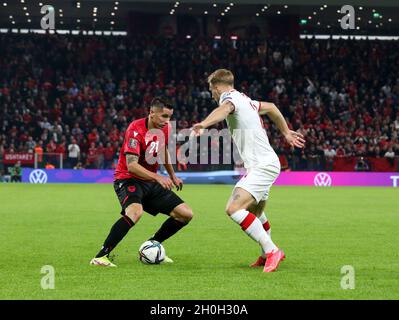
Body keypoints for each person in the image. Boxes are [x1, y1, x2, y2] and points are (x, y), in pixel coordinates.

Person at [192, 69, 305, 272]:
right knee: (256, 212)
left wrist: (204, 124)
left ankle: (272, 251)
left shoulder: (229, 98)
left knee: (233, 209)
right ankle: (264, 255)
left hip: (262, 165)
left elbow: (224, 109)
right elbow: (271, 107)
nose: (211, 93)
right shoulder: (248, 101)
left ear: (218, 86)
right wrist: (285, 132)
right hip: (266, 163)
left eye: (211, 89)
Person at [90, 97, 194, 267]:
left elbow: (163, 151)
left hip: (149, 181)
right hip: (128, 179)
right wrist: (159, 177)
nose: (167, 121)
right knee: (135, 212)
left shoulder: (165, 129)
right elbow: (132, 166)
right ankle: (101, 256)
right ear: (151, 113)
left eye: (169, 117)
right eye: (163, 116)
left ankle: (151, 245)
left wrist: (173, 176)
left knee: (185, 214)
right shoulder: (135, 129)